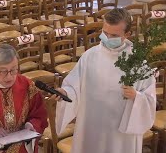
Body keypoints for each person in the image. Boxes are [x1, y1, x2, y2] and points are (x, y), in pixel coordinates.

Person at [51, 8, 157, 153]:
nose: (107, 38)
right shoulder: (90, 56)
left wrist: (136, 97)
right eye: (105, 33)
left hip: (120, 133)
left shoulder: (138, 62)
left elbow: (150, 100)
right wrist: (65, 93)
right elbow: (74, 87)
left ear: (127, 34)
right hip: (92, 125)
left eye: (113, 35)